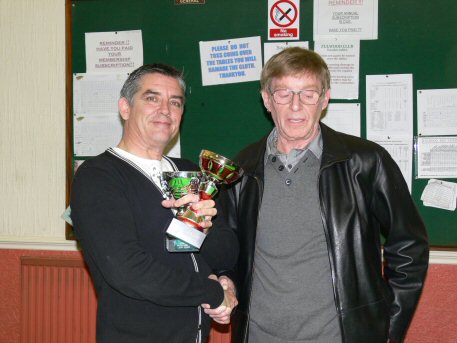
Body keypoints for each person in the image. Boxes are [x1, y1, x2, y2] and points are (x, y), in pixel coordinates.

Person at [220, 47, 429, 343]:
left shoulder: (365, 162)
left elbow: (409, 243)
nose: (295, 106)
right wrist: (223, 279)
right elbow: (225, 247)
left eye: (308, 94)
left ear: (324, 99)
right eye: (284, 93)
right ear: (267, 99)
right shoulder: (241, 169)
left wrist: (390, 325)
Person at [70, 63, 238, 343]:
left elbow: (224, 253)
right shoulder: (98, 176)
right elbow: (127, 271)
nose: (165, 110)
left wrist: (224, 279)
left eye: (175, 102)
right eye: (152, 98)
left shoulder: (188, 173)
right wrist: (211, 293)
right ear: (125, 108)